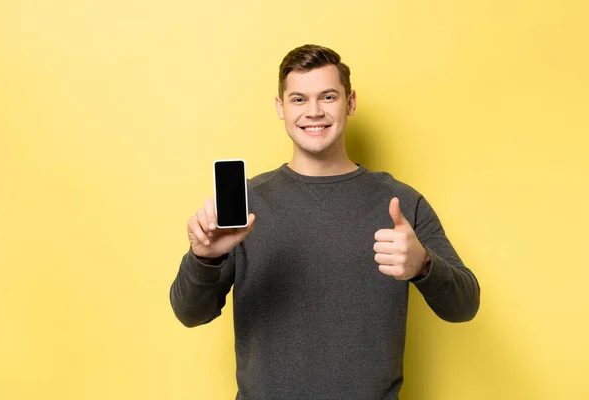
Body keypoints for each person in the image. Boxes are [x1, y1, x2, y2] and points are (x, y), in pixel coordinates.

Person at [170, 44, 480, 400]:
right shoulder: (245, 205)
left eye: (328, 97)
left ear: (350, 103)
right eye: (299, 99)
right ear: (280, 107)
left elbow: (464, 306)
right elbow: (189, 314)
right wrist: (205, 259)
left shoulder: (401, 202)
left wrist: (424, 265)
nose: (313, 112)